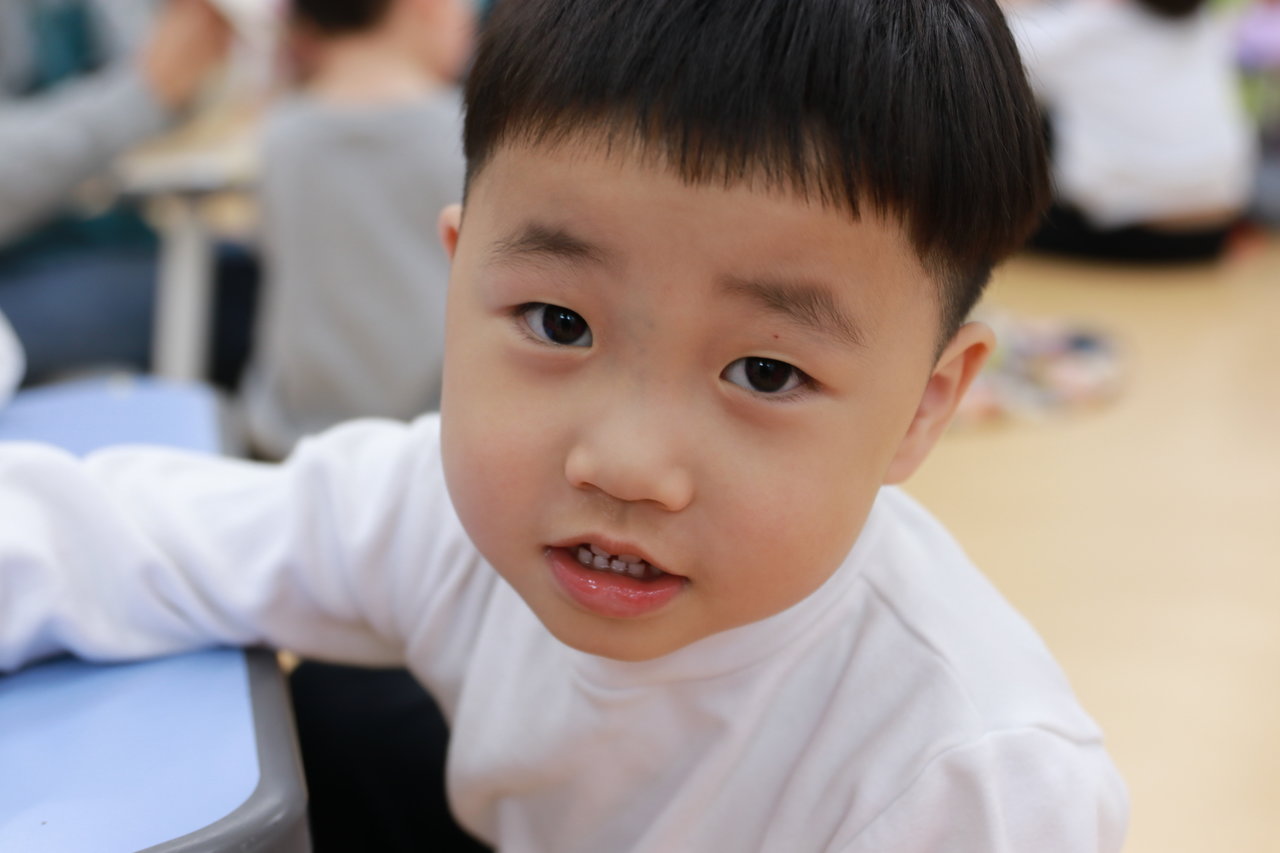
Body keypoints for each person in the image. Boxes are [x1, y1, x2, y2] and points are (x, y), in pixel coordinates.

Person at [0, 1, 1129, 851]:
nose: (625, 465)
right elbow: (120, 533)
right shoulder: (437, 512)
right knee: (336, 712)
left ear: (924, 406)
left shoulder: (968, 783)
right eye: (558, 322)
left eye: (765, 372)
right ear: (456, 282)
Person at [239, 0, 472, 460]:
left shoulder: (279, 135)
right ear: (426, 7)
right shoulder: (466, 133)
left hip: (294, 436)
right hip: (430, 439)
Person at [0, 0, 231, 381]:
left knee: (250, 273)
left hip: (106, 240)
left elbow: (168, 78)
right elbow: (151, 88)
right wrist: (145, 94)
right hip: (23, 274)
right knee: (247, 297)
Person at [1004, 0, 1258, 261]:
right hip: (1213, 232)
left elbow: (994, 55)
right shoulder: (1207, 29)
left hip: (1120, 235)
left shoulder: (1086, 29)